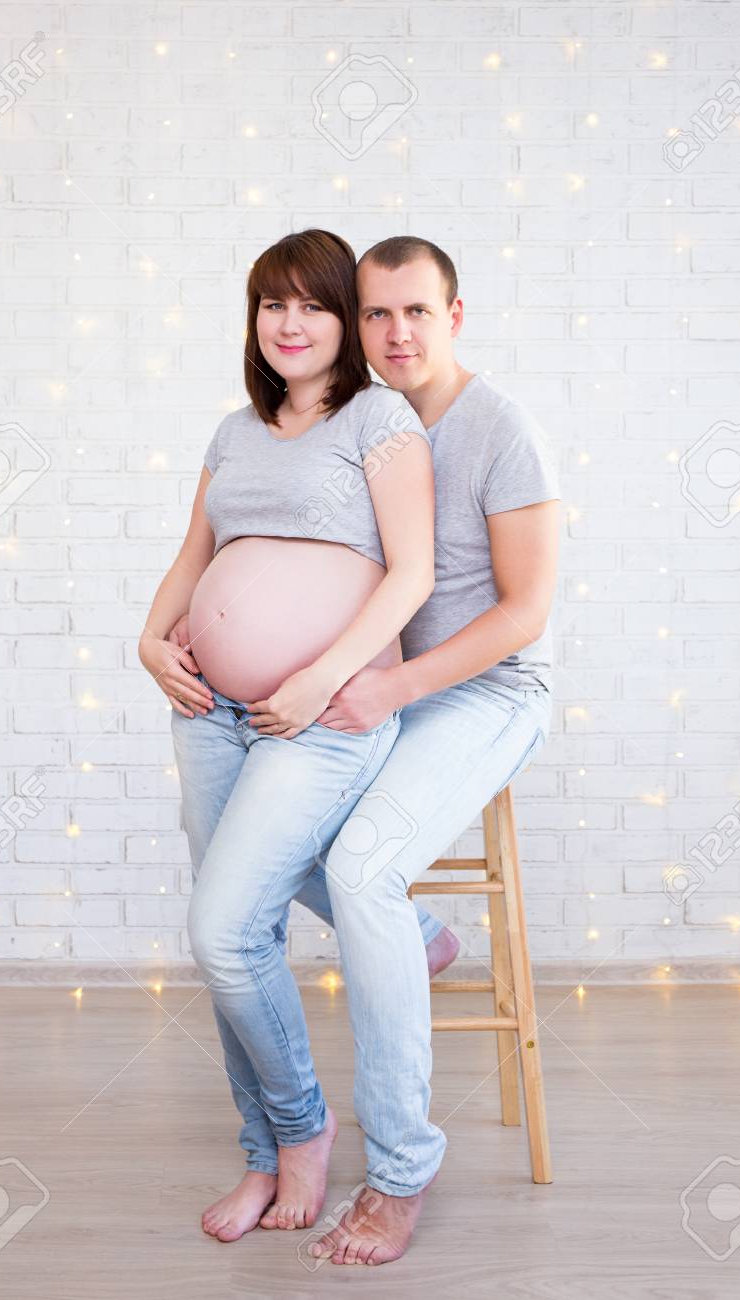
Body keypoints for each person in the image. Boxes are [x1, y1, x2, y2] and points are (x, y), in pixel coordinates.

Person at [139, 229, 456, 1244]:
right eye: (272, 303)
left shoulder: (379, 419)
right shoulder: (234, 432)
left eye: (313, 304)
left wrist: (320, 676)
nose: (290, 322)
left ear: (343, 322)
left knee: (222, 931)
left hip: (320, 716)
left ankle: (302, 1128)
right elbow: (193, 556)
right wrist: (149, 640)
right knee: (236, 934)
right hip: (209, 710)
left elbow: (411, 572)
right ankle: (260, 1149)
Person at [292, 236, 562, 1266]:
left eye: (415, 311)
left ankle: (400, 1168)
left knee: (358, 866)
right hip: (389, 681)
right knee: (257, 830)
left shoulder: (499, 428)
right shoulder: (364, 421)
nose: (395, 332)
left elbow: (525, 613)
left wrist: (394, 688)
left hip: (489, 689)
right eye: (375, 314)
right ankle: (418, 935)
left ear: (453, 316)